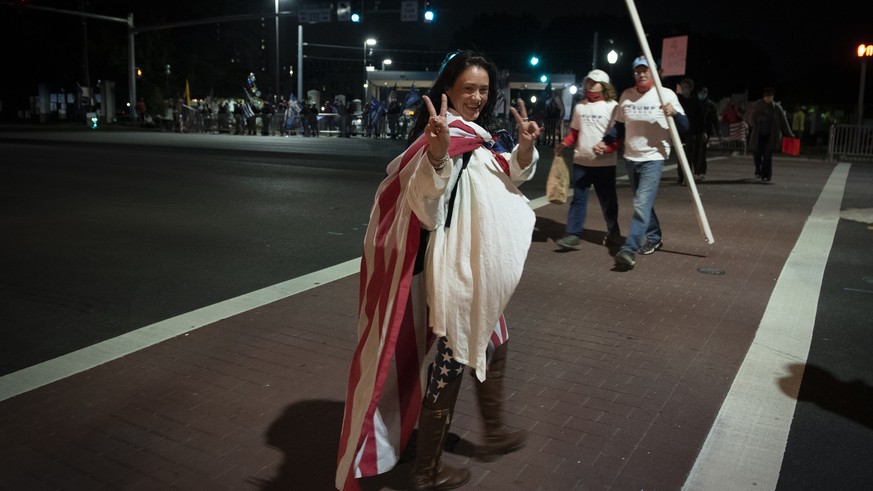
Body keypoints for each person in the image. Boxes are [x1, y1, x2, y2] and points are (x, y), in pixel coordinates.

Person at [336, 50, 542, 491]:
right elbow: (424, 202)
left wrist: (524, 148)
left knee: (493, 341)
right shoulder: (444, 137)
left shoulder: (477, 135)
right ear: (447, 88)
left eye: (483, 90)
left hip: (473, 267)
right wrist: (435, 155)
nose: (476, 97)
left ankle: (492, 430)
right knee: (452, 361)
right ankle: (427, 472)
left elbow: (505, 176)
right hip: (450, 270)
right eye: (468, 88)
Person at [596, 56, 688, 271]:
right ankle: (654, 236)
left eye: (646, 70)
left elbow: (685, 126)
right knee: (642, 203)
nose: (642, 74)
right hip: (631, 157)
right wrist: (605, 142)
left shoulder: (666, 95)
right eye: (638, 71)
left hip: (654, 158)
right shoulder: (627, 96)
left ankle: (629, 249)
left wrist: (673, 114)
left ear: (655, 72)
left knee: (641, 204)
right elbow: (618, 127)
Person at [555, 69, 622, 250]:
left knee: (608, 200)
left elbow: (618, 137)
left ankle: (613, 231)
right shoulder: (580, 106)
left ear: (604, 86)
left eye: (595, 82)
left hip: (605, 163)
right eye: (588, 81)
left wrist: (608, 148)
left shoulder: (613, 106)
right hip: (581, 161)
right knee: (578, 198)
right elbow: (575, 132)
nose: (590, 85)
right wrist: (564, 143)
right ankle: (572, 234)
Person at [744, 87, 794, 182]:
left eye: (770, 96)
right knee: (756, 154)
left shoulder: (777, 108)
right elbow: (749, 117)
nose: (768, 98)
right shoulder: (757, 105)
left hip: (771, 136)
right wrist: (756, 120)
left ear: (773, 97)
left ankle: (766, 175)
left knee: (767, 156)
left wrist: (790, 134)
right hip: (758, 136)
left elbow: (784, 122)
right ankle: (758, 169)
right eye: (766, 96)